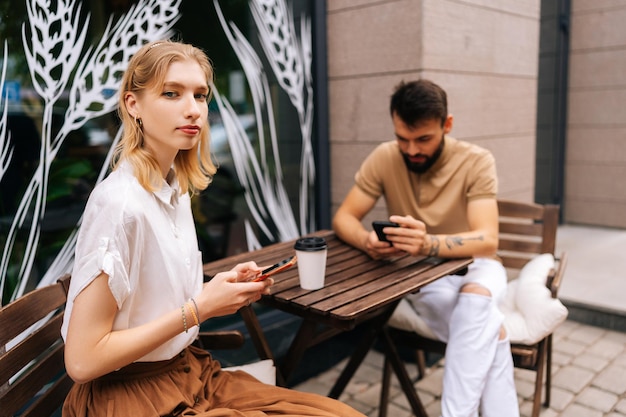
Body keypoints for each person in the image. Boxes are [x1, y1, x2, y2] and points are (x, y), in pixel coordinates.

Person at [61, 40, 365, 417]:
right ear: (132, 105)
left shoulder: (172, 188)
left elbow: (148, 302)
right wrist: (199, 309)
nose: (193, 110)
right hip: (130, 397)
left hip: (190, 373)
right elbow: (82, 360)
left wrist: (216, 291)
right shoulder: (120, 205)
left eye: (200, 95)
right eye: (171, 93)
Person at [332, 79, 519, 417]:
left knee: (476, 300)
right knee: (491, 329)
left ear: (447, 125)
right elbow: (344, 217)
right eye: (402, 138)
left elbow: (488, 239)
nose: (412, 150)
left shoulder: (476, 161)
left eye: (423, 139)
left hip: (478, 264)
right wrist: (367, 242)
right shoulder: (385, 156)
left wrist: (428, 242)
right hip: (423, 275)